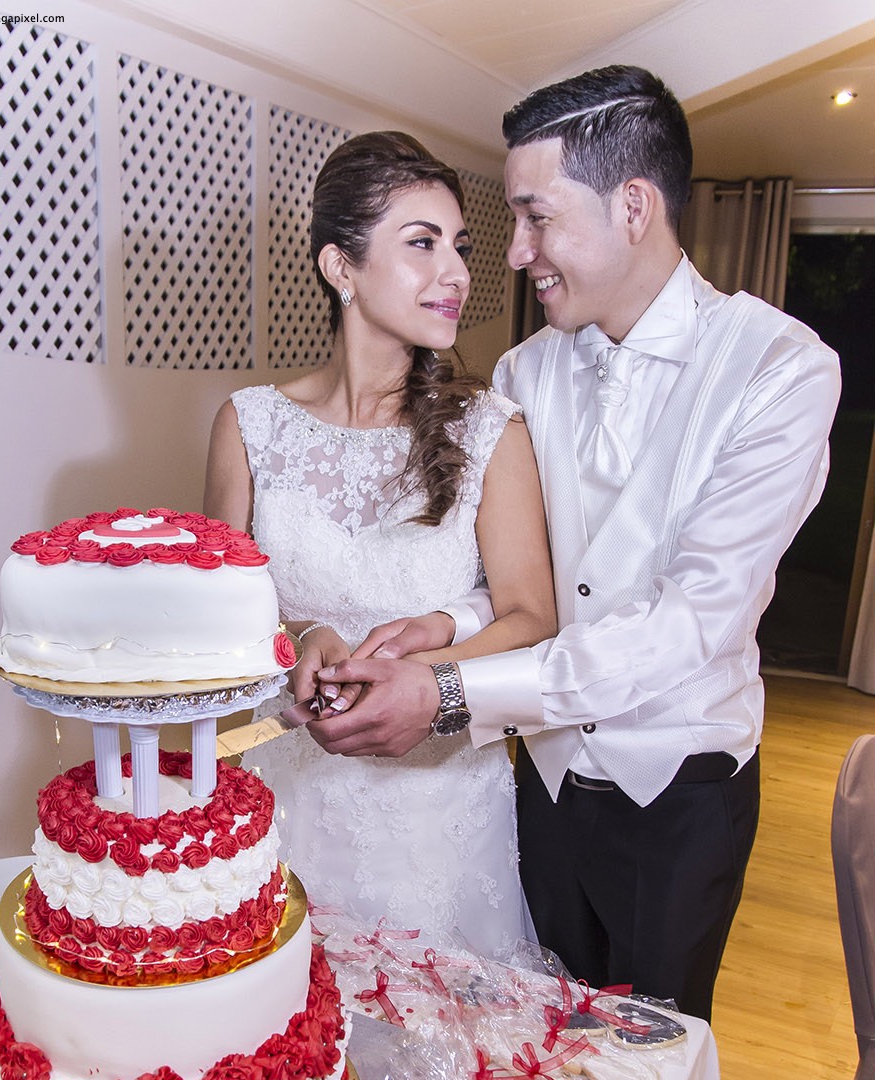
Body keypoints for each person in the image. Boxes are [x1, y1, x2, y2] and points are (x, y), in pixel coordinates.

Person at [308, 68, 842, 1021]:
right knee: (534, 1041)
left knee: (650, 1064)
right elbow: (533, 582)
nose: (514, 254)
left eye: (535, 217)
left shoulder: (782, 369)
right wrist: (444, 622)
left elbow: (691, 623)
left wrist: (453, 693)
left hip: (676, 794)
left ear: (633, 205)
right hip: (541, 782)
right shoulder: (525, 370)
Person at [204, 131, 556, 957]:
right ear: (341, 267)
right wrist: (300, 638)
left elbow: (534, 617)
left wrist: (420, 674)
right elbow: (217, 623)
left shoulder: (490, 432)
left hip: (438, 823)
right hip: (290, 802)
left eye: (460, 247)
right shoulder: (248, 426)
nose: (459, 273)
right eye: (422, 244)